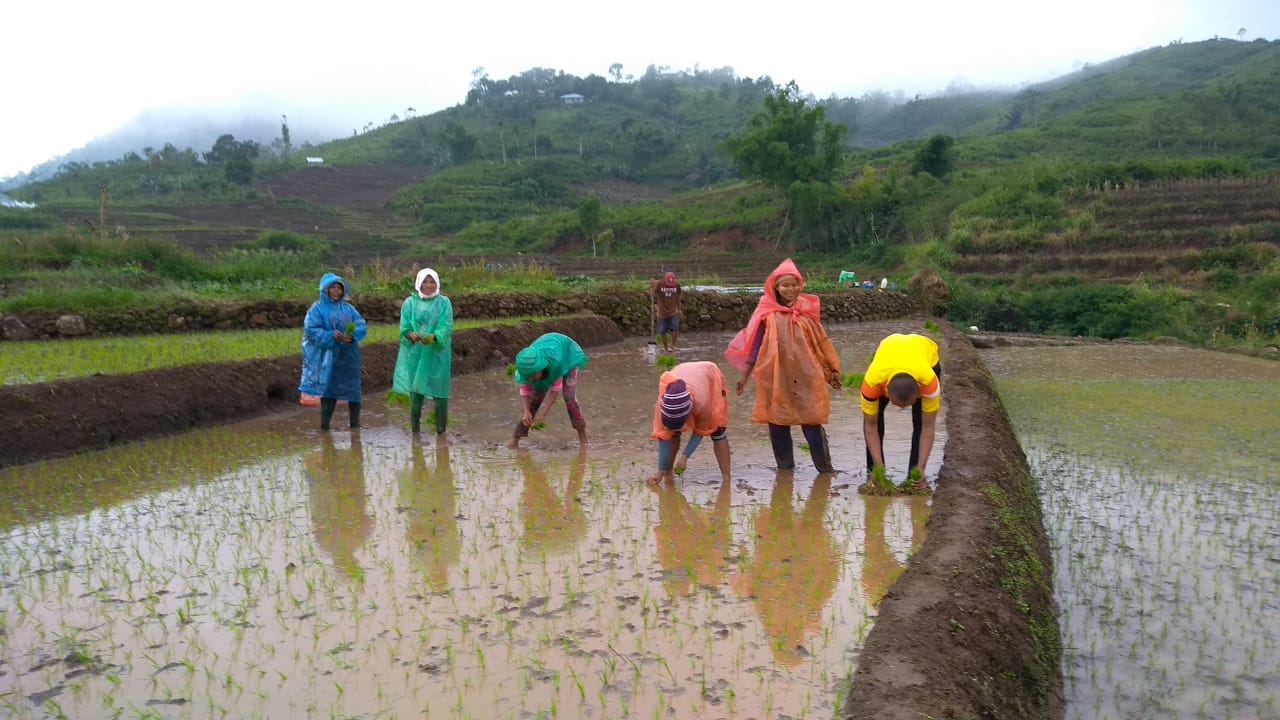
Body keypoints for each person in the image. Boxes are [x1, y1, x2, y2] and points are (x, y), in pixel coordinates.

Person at [725, 258, 841, 473]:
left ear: (800, 285)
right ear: (775, 287)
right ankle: (785, 469)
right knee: (778, 422)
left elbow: (820, 344)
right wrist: (745, 375)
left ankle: (825, 469)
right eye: (785, 285)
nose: (791, 289)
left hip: (806, 376)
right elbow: (755, 345)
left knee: (812, 420)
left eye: (794, 284)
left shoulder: (806, 312)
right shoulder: (767, 314)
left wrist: (831, 370)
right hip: (774, 375)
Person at [859, 332, 942, 492]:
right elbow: (870, 427)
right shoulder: (872, 383)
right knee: (875, 420)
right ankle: (874, 474)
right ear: (886, 392)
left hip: (926, 354)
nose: (902, 409)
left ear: (919, 391)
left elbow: (928, 428)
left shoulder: (929, 383)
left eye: (907, 405)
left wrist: (922, 467)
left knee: (920, 422)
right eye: (897, 405)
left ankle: (915, 477)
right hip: (888, 351)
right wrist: (879, 467)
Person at [300, 272, 367, 430]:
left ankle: (355, 427)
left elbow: (361, 324)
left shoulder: (349, 309)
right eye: (333, 288)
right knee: (329, 390)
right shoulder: (317, 309)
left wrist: (352, 336)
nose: (336, 291)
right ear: (325, 289)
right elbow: (311, 330)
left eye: (339, 288)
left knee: (353, 390)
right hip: (327, 356)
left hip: (348, 356)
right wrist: (331, 336)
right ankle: (325, 426)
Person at [392, 268, 454, 434]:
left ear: (437, 283)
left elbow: (446, 326)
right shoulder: (409, 303)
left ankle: (441, 430)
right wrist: (409, 333)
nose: (428, 285)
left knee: (439, 391)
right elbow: (404, 326)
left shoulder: (444, 303)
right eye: (425, 281)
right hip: (416, 353)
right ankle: (415, 431)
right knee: (416, 391)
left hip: (437, 353)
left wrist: (435, 336)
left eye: (432, 281)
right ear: (419, 283)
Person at [649, 361, 731, 484]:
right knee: (672, 432)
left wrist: (685, 456)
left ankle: (726, 479)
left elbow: (701, 430)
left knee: (717, 430)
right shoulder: (662, 405)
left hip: (708, 376)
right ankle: (667, 473)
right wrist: (660, 470)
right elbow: (664, 436)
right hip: (683, 372)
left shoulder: (702, 403)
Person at [508, 332, 590, 449]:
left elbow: (555, 391)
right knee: (534, 401)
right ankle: (515, 439)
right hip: (547, 356)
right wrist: (526, 411)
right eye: (528, 377)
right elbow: (525, 391)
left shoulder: (555, 365)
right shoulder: (527, 368)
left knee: (569, 398)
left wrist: (543, 415)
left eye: (533, 376)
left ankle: (583, 438)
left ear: (540, 368)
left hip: (567, 356)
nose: (530, 379)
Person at [651, 271, 683, 351]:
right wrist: (652, 286)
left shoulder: (677, 285)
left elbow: (678, 298)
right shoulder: (659, 284)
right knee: (662, 331)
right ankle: (666, 349)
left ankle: (673, 346)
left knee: (675, 328)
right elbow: (653, 294)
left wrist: (679, 310)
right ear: (665, 280)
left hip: (673, 311)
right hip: (662, 312)